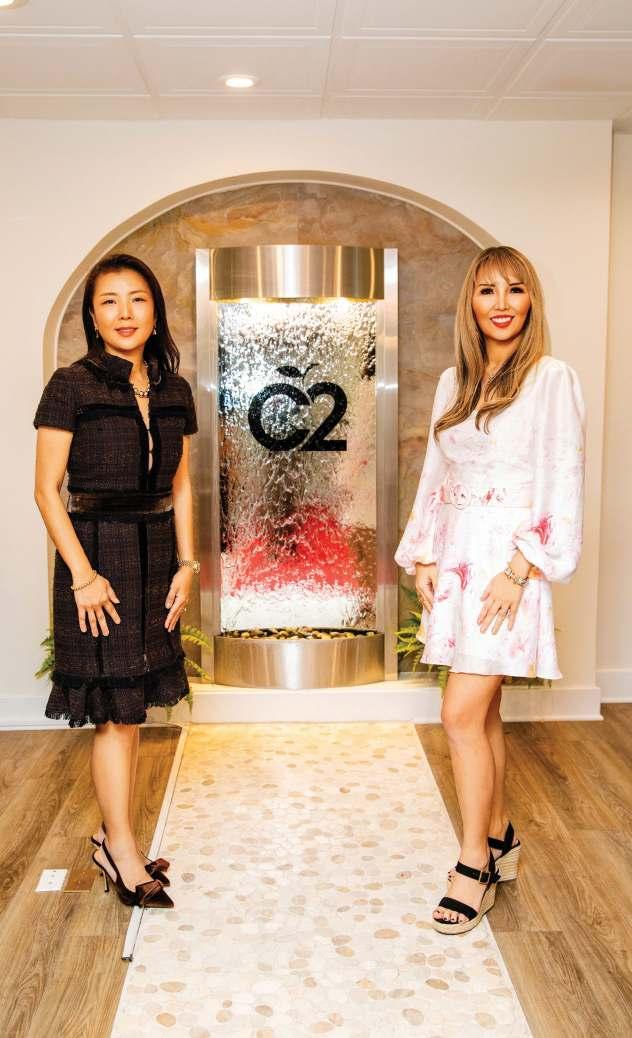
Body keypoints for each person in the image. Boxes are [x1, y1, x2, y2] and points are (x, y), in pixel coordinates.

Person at [395, 245, 585, 934]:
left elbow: (563, 478)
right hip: (457, 561)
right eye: (487, 290)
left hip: (507, 569)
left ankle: (473, 863)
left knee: (458, 715)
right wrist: (423, 551)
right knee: (483, 713)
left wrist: (521, 568)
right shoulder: (455, 381)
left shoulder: (550, 378)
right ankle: (499, 834)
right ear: (470, 304)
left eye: (515, 289)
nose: (501, 303)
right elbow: (436, 471)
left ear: (531, 301)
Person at [34, 254, 199, 910]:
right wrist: (83, 577)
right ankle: (122, 851)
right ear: (92, 316)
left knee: (134, 710)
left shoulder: (174, 390)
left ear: (155, 312)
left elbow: (181, 486)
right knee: (114, 712)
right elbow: (46, 491)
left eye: (137, 299)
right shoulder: (70, 385)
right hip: (96, 558)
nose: (124, 313)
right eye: (109, 301)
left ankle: (113, 837)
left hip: (157, 556)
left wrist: (187, 564)